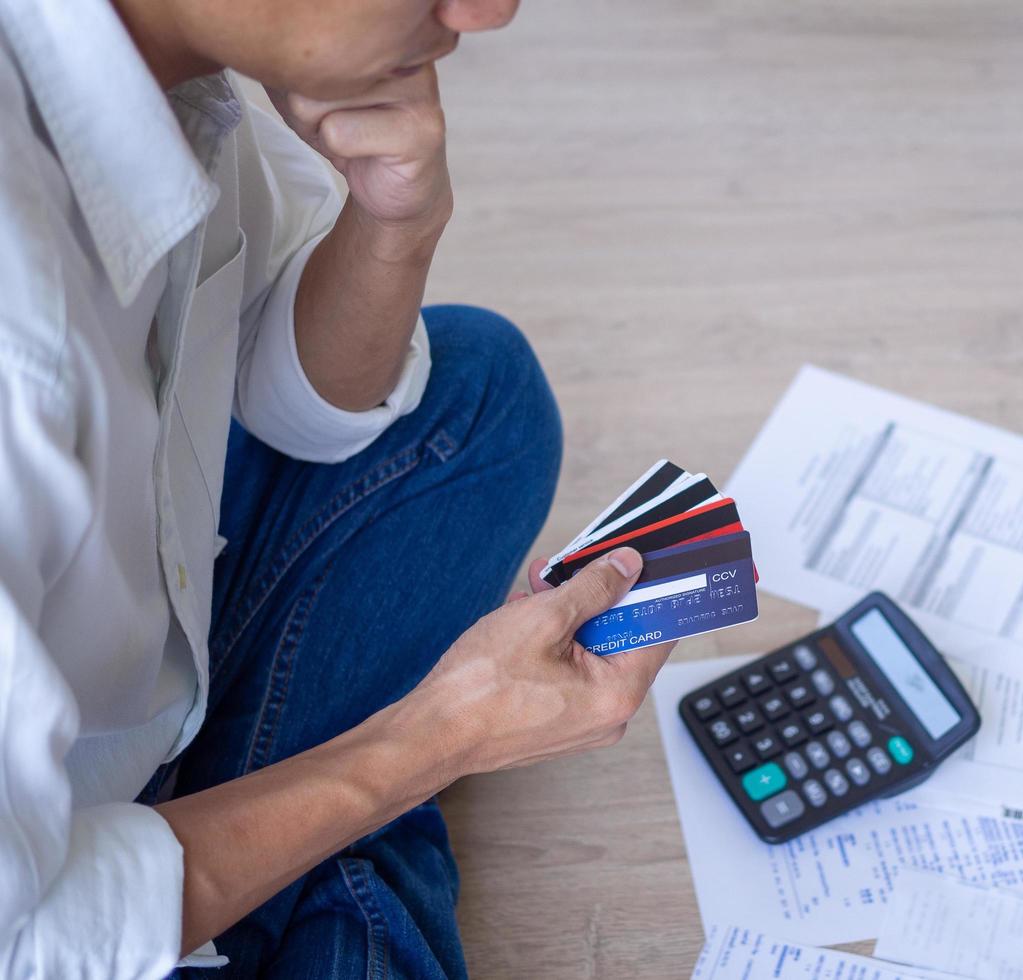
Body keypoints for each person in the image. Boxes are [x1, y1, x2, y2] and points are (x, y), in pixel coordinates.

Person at [0, 0, 675, 975]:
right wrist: (429, 740)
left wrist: (399, 217)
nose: (487, 13)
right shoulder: (17, 338)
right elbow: (28, 939)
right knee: (374, 827)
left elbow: (295, 406)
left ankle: (294, 824)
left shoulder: (162, 71)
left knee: (481, 391)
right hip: (44, 892)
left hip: (112, 721)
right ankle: (337, 836)